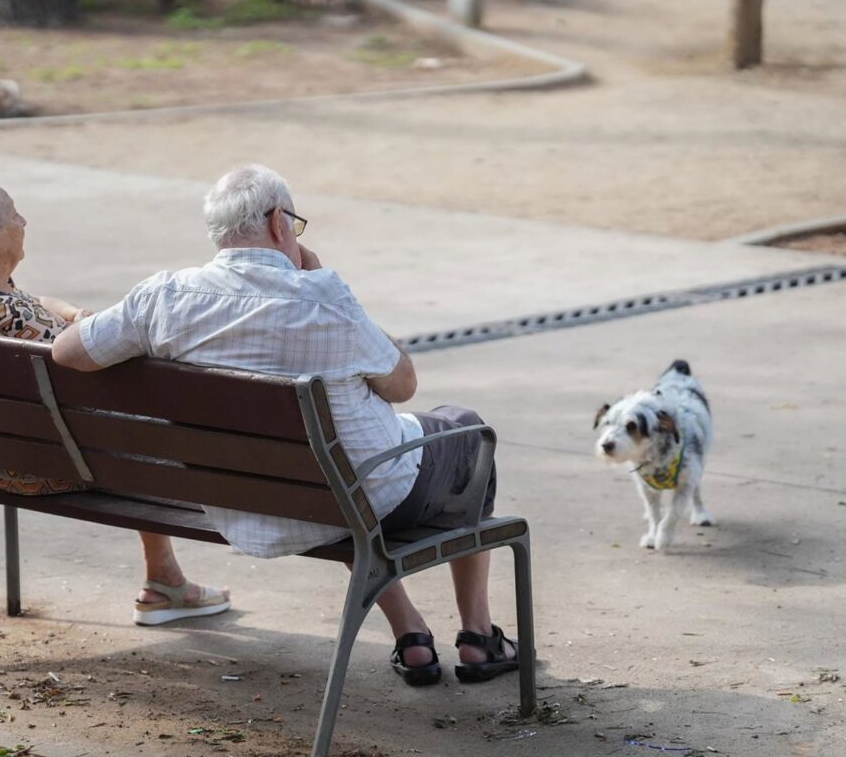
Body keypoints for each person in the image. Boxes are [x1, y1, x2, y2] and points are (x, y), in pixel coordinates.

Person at [51, 163, 518, 686]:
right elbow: (403, 385)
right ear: (278, 223)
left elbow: (68, 352)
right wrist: (326, 287)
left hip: (249, 501)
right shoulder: (323, 299)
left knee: (333, 461)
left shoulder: (163, 297)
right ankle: (478, 637)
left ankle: (410, 634)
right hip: (357, 496)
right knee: (467, 434)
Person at [0, 164, 230, 626]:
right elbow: (97, 357)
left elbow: (33, 303)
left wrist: (75, 313)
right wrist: (87, 326)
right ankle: (164, 582)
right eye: (14, 214)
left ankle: (164, 577)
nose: (23, 221)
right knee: (142, 418)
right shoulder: (13, 319)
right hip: (40, 465)